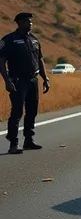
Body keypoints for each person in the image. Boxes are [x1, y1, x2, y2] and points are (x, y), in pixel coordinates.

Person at [0, 12, 50, 154]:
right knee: (17, 112)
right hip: (17, 80)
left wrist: (45, 78)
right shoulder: (9, 40)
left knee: (32, 110)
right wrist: (7, 80)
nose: (31, 23)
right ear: (20, 23)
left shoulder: (34, 40)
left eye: (31, 21)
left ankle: (29, 140)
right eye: (28, 21)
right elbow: (1, 61)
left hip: (33, 80)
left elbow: (40, 60)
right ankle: (13, 143)